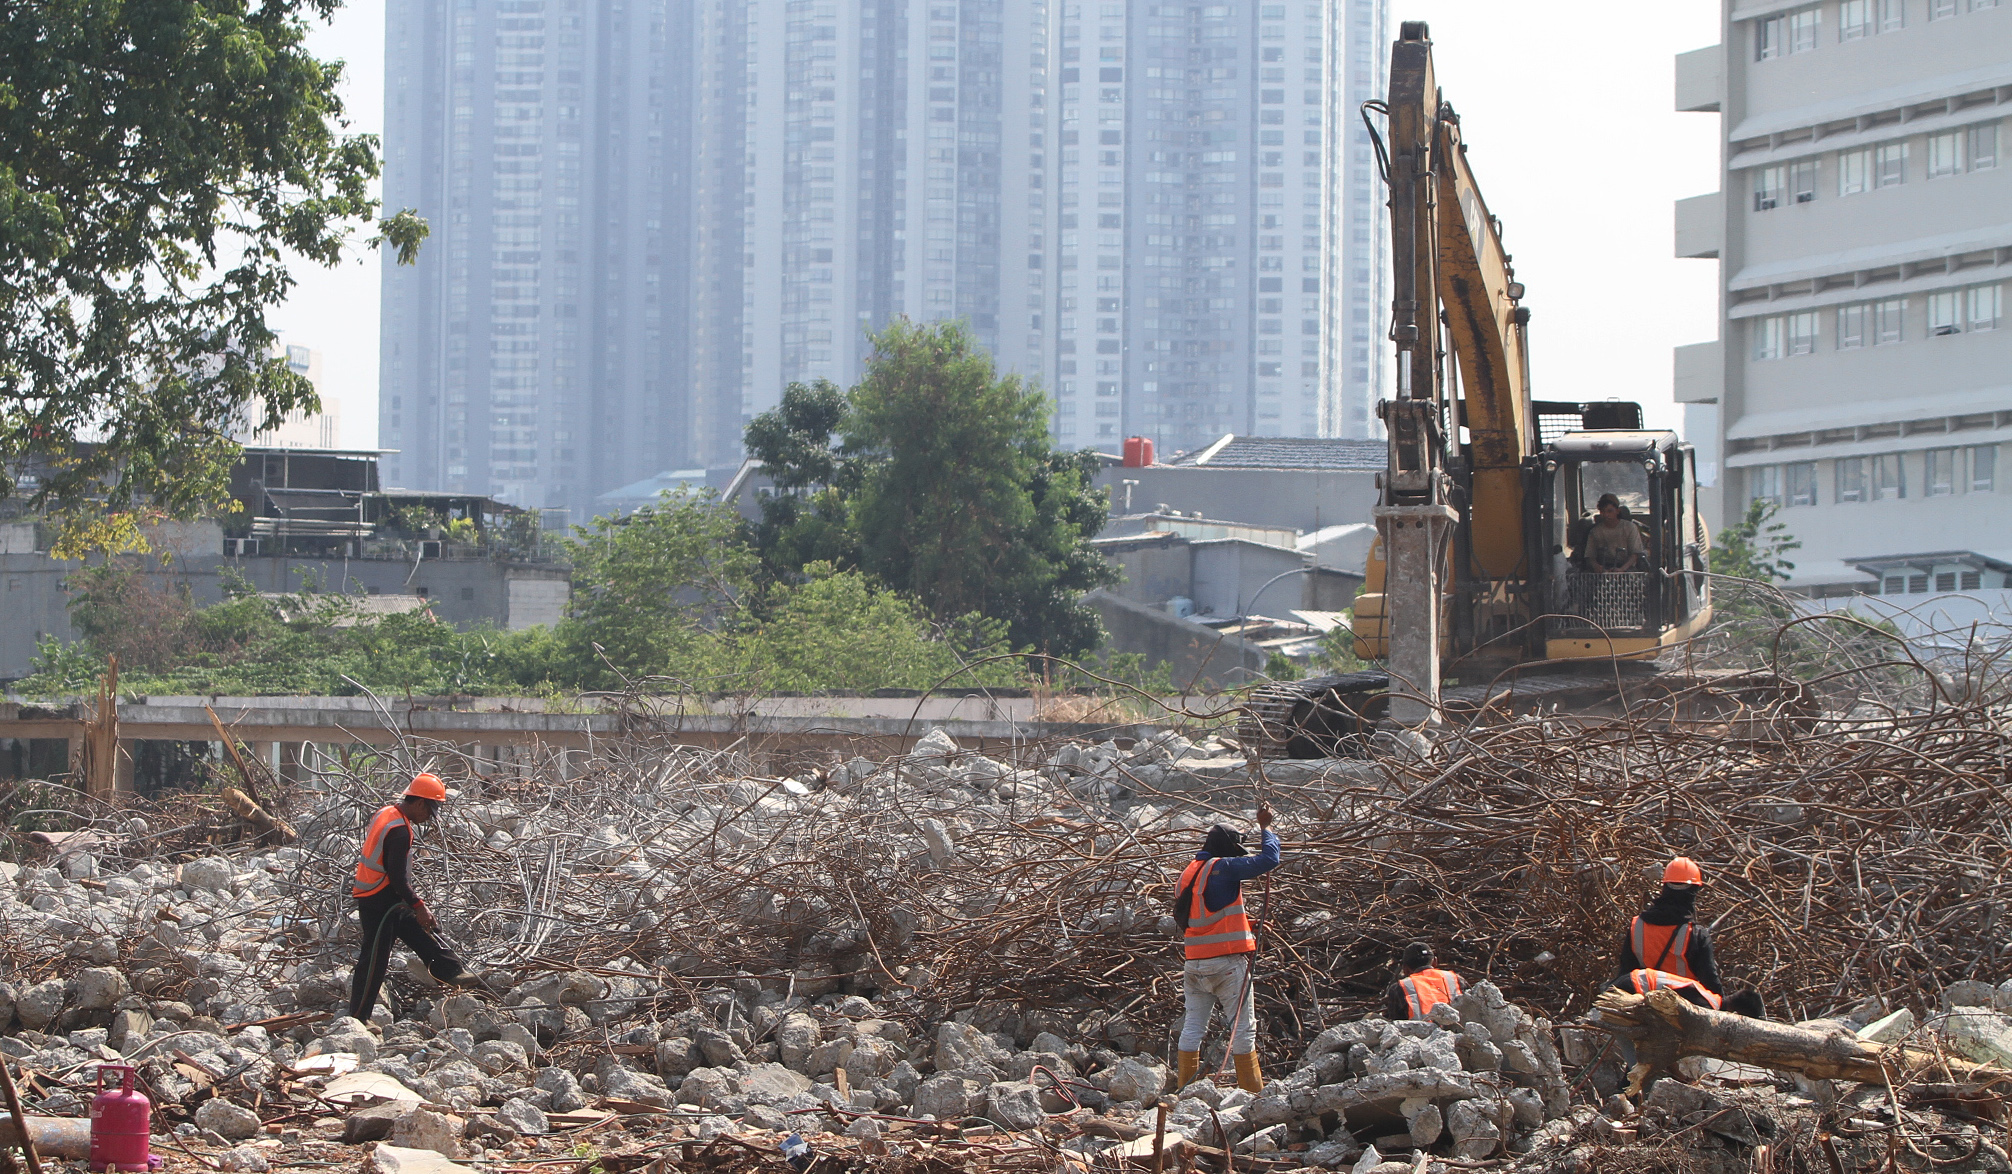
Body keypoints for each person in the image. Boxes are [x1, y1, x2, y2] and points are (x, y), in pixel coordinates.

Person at [348, 773, 484, 1023]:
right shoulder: (399, 830)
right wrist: (419, 905)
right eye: (429, 811)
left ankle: (452, 971)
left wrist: (417, 910)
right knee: (374, 960)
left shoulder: (387, 813)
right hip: (378, 899)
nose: (428, 818)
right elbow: (398, 879)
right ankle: (357, 1017)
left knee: (421, 931)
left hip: (382, 894)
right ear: (420, 803)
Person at [1173, 806, 1280, 1094]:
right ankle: (1255, 1095)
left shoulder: (1188, 873)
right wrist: (1266, 828)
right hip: (1227, 966)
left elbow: (1206, 915)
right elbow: (1270, 859)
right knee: (1243, 1030)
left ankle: (1186, 1092)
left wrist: (1247, 924)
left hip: (1194, 966)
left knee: (1193, 1028)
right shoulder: (1223, 867)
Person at [1385, 942, 1464, 1020]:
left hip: (1420, 1032)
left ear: (1405, 969)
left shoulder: (1399, 988)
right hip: (1460, 1030)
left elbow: (1396, 1025)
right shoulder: (1455, 979)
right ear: (1435, 961)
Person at [1585, 493, 1646, 574]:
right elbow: (1590, 556)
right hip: (1603, 571)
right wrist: (1596, 566)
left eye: (1610, 511)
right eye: (1603, 511)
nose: (1606, 515)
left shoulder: (1630, 528)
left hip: (1627, 570)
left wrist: (1622, 569)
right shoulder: (1595, 532)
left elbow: (1635, 554)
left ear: (1617, 511)